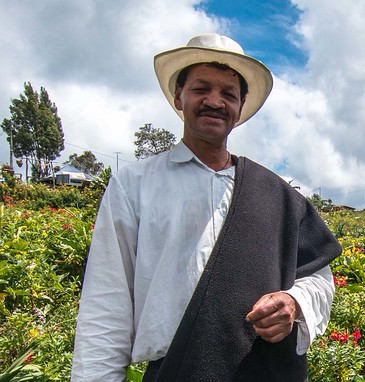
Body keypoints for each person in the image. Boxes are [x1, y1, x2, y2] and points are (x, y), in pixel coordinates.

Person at [71, 33, 342, 381]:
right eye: (201, 89)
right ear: (178, 97)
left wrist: (295, 303)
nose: (215, 101)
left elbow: (319, 280)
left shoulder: (280, 196)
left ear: (240, 107)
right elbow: (106, 308)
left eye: (228, 94)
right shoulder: (135, 185)